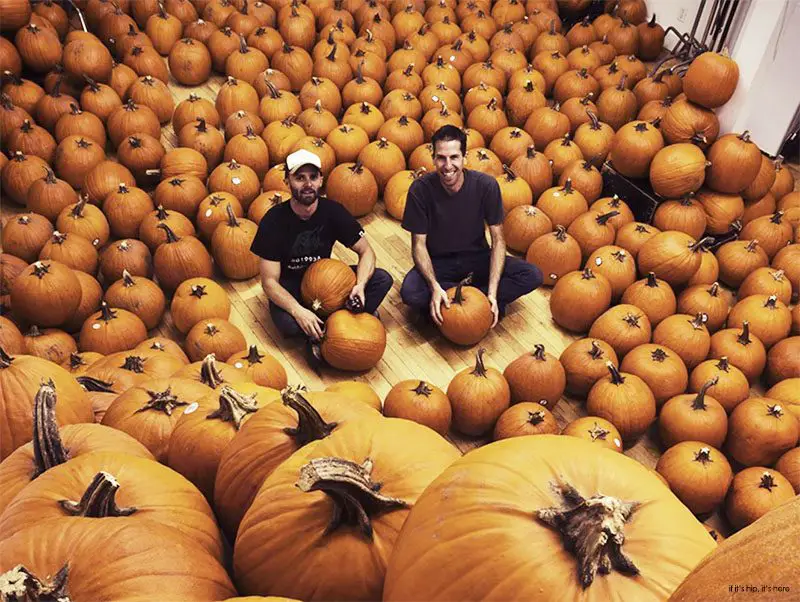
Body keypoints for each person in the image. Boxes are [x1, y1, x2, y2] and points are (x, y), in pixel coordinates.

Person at [250, 148, 393, 368]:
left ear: (321, 180)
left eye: (313, 177)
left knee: (382, 279)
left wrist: (360, 286)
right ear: (287, 180)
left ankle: (326, 329)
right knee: (288, 324)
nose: (307, 184)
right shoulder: (273, 221)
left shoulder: (333, 211)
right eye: (299, 178)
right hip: (293, 287)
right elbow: (269, 283)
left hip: (327, 281)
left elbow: (367, 252)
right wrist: (299, 312)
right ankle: (343, 320)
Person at [400, 125, 543, 327]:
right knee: (410, 293)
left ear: (464, 158)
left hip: (477, 259)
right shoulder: (420, 190)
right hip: (439, 263)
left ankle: (468, 300)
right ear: (433, 158)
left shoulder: (486, 186)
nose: (447, 165)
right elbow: (418, 246)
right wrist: (434, 287)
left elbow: (499, 241)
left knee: (532, 275)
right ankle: (458, 297)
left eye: (454, 157)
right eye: (441, 157)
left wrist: (493, 292)